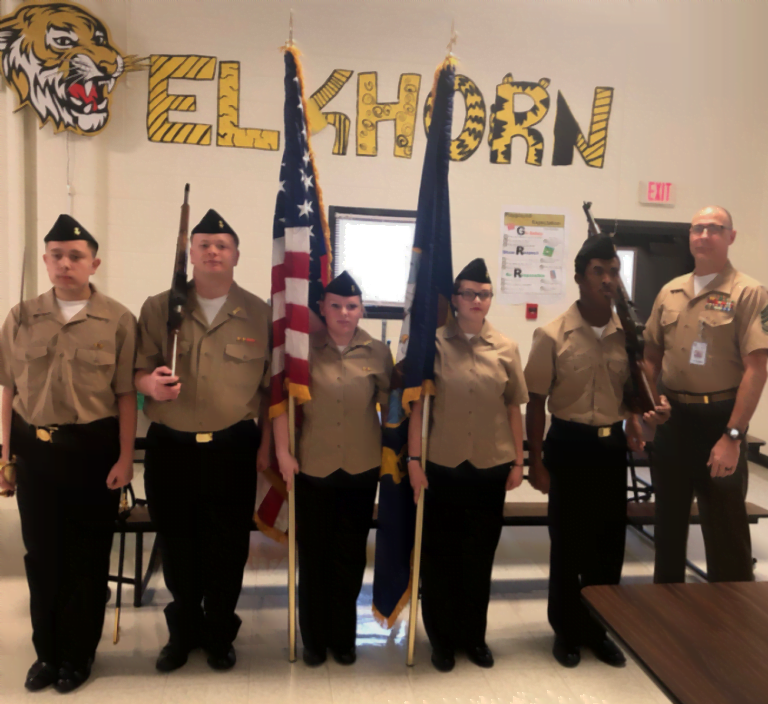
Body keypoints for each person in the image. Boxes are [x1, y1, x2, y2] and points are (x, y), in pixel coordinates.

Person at [0, 214, 137, 693]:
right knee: (42, 557)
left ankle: (78, 656)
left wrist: (124, 459)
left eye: (76, 256)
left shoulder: (118, 319)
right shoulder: (20, 317)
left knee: (87, 557)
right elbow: (9, 390)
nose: (64, 263)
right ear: (45, 260)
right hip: (35, 454)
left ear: (94, 263)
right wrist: (5, 456)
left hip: (92, 454)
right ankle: (47, 654)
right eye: (56, 255)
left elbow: (125, 396)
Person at [135, 209, 272, 672]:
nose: (213, 251)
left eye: (222, 245)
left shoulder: (260, 312)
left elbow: (271, 393)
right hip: (171, 446)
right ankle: (183, 632)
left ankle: (218, 633)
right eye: (204, 244)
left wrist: (268, 448)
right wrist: (147, 385)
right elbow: (138, 368)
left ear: (236, 255)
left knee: (227, 546)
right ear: (190, 253)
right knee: (177, 543)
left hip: (232, 447)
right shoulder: (160, 307)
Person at [524, 235, 651, 669]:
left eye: (613, 271)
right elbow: (535, 401)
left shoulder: (629, 337)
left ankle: (599, 630)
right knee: (568, 547)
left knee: (608, 546)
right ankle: (566, 632)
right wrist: (537, 463)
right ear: (578, 279)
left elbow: (633, 394)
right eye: (597, 271)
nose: (607, 279)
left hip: (610, 449)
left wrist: (639, 416)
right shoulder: (552, 334)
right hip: (568, 447)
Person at [406, 258, 528, 673]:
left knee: (479, 558)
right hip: (442, 466)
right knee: (441, 559)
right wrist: (414, 461)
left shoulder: (507, 348)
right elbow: (418, 409)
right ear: (454, 299)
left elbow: (513, 408)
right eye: (469, 293)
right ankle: (441, 639)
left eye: (484, 294)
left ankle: (473, 637)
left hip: (490, 467)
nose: (477, 300)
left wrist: (518, 461)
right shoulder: (433, 345)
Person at [644, 205, 768, 584]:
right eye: (697, 228)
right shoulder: (670, 291)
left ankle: (728, 630)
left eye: (715, 228)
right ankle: (666, 616)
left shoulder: (749, 292)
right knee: (667, 528)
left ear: (730, 237)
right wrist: (649, 405)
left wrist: (732, 436)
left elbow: (758, 368)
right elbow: (650, 356)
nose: (704, 235)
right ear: (689, 237)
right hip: (673, 421)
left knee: (726, 530)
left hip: (720, 420)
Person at [275, 271, 393, 667]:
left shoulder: (378, 352)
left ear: (362, 310)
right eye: (337, 305)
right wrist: (282, 452)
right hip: (313, 466)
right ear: (322, 308)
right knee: (314, 557)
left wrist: (398, 455)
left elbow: (389, 409)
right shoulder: (301, 350)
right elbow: (280, 403)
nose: (344, 312)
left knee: (349, 557)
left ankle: (343, 637)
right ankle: (313, 639)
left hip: (361, 468)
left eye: (353, 306)